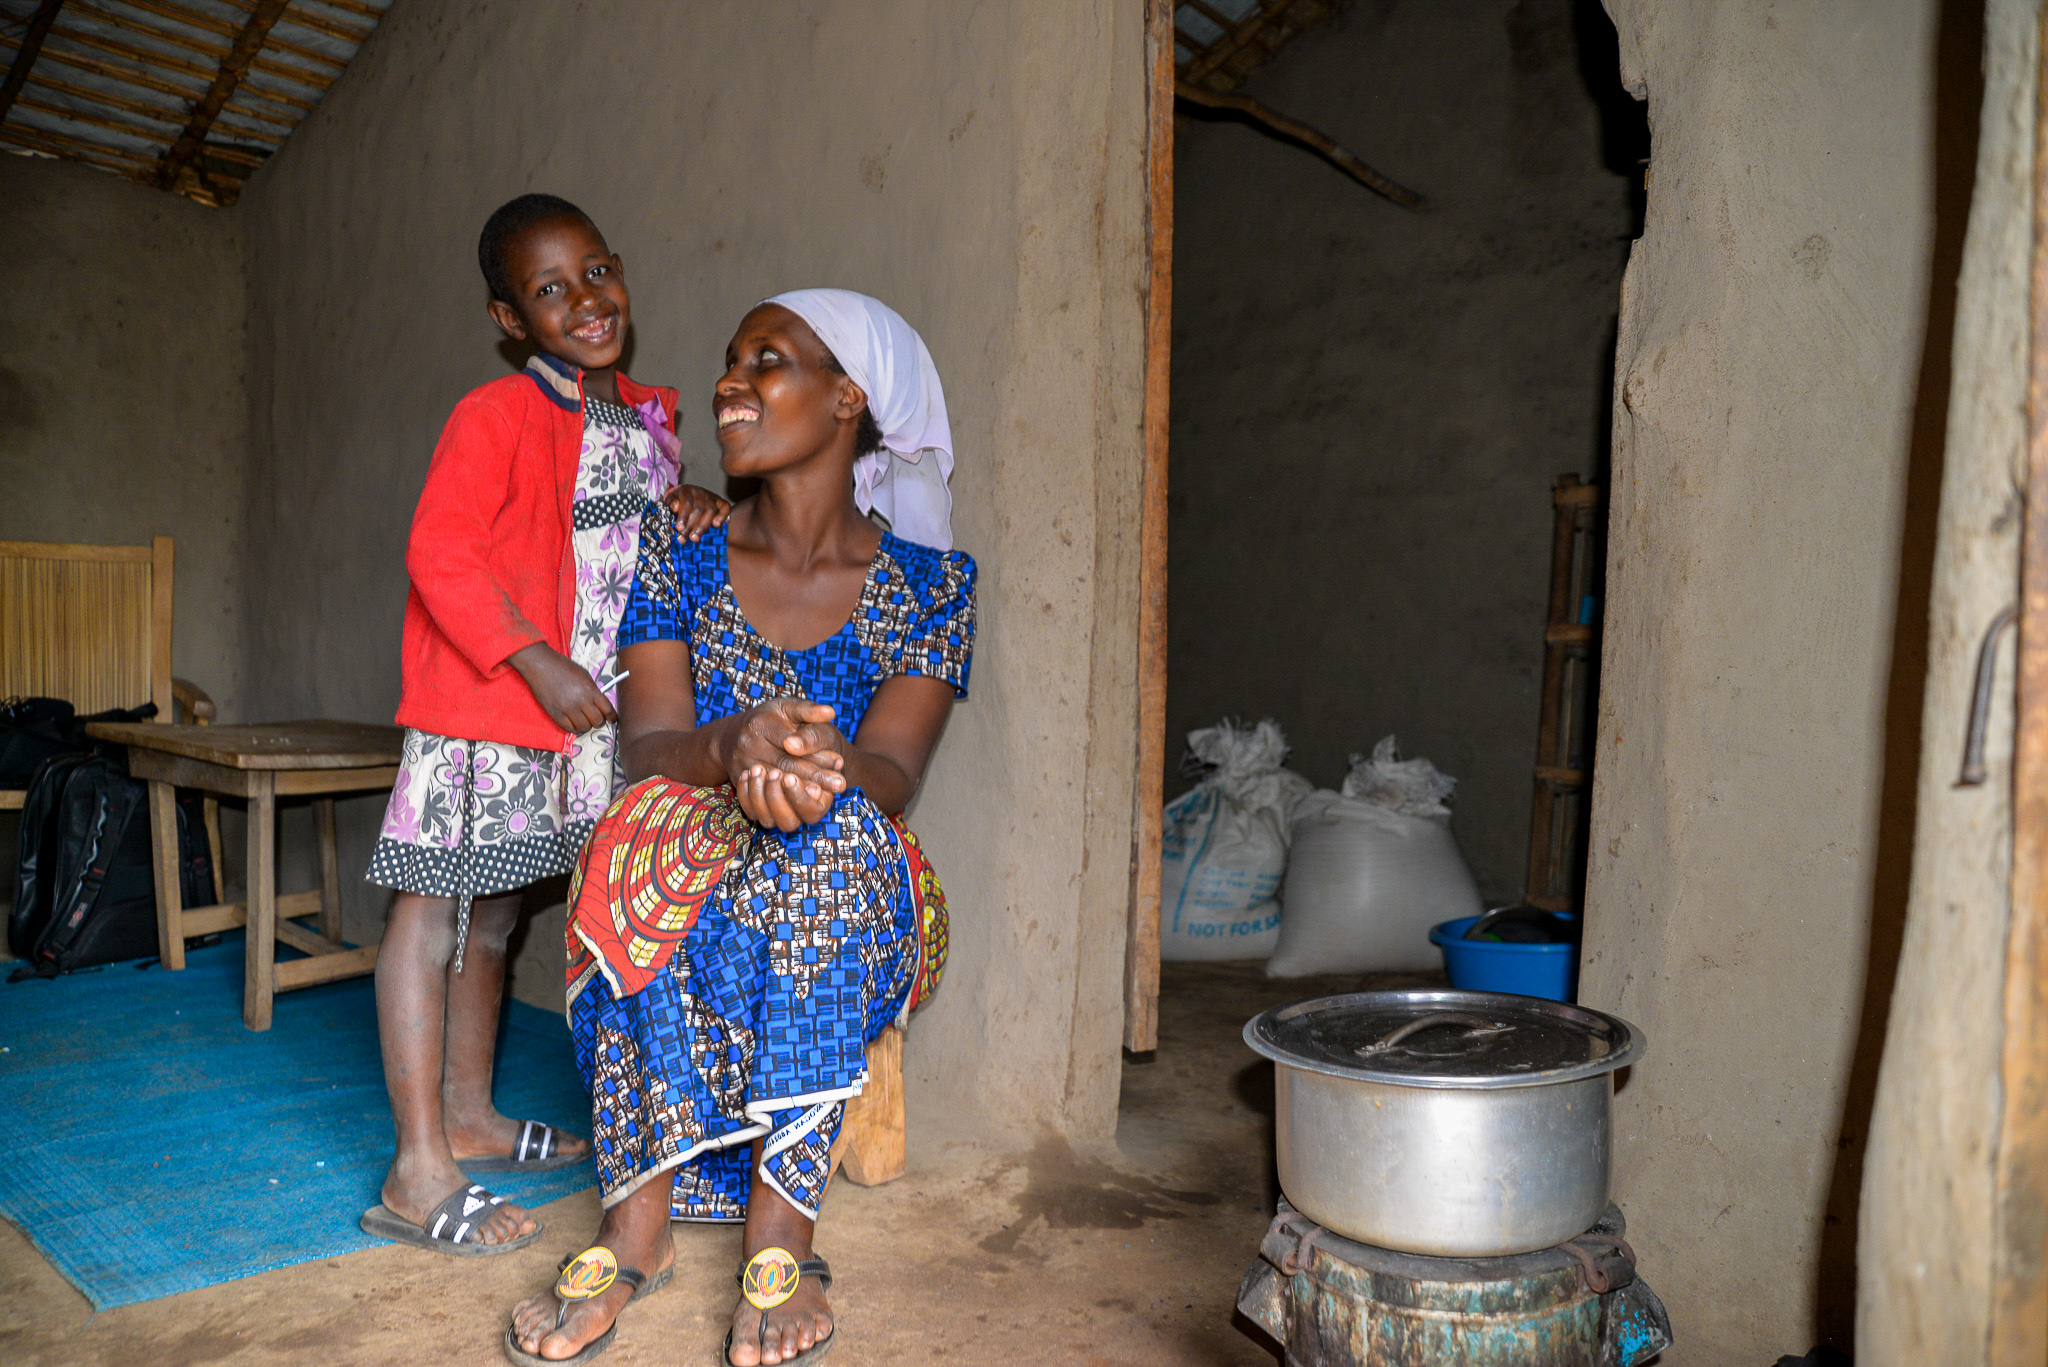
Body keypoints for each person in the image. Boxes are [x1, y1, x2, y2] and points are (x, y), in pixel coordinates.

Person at [505, 289, 973, 1366]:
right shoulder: (679, 548)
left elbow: (893, 770)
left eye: (769, 359)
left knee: (832, 841)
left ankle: (782, 1232)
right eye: (728, 359)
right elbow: (651, 741)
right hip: (694, 824)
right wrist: (735, 748)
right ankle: (637, 1224)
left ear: (847, 397)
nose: (731, 379)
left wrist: (811, 764)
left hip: (853, 866)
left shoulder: (932, 584)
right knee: (632, 833)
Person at [358, 193, 730, 1255]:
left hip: (582, 722)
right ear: (508, 318)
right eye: (548, 289)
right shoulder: (493, 413)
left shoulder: (647, 423)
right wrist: (533, 658)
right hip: (490, 702)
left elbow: (633, 553)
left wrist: (692, 499)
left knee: (498, 914)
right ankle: (415, 1164)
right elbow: (441, 552)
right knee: (429, 918)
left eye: (596, 272)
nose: (584, 300)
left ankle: (469, 1113)